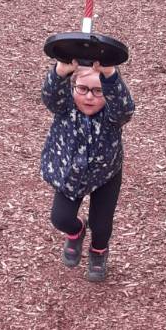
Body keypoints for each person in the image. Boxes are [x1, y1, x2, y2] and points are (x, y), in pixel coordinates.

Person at [40, 58, 135, 282]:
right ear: (72, 87)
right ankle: (77, 231)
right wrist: (60, 71)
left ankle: (98, 251)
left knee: (101, 225)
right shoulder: (64, 107)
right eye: (82, 89)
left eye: (98, 91)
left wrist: (110, 75)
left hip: (105, 174)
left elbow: (125, 108)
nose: (89, 97)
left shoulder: (112, 114)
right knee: (61, 219)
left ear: (108, 93)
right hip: (70, 174)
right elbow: (50, 95)